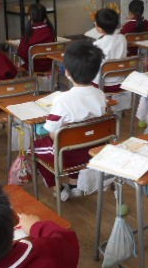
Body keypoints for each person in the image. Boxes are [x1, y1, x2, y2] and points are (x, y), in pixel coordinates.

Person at [33, 41, 106, 201]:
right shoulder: (100, 94)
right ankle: (74, 185)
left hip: (67, 155)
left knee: (33, 150)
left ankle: (58, 189)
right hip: (93, 151)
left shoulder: (62, 100)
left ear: (67, 72)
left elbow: (52, 133)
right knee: (78, 137)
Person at [92, 8, 127, 91]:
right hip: (120, 82)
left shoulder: (97, 44)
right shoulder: (122, 38)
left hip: (103, 84)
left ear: (99, 29)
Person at [17, 3, 56, 72]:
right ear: (45, 16)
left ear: (30, 17)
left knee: (17, 63)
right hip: (49, 66)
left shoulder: (29, 33)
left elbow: (21, 53)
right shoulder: (50, 31)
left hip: (32, 67)